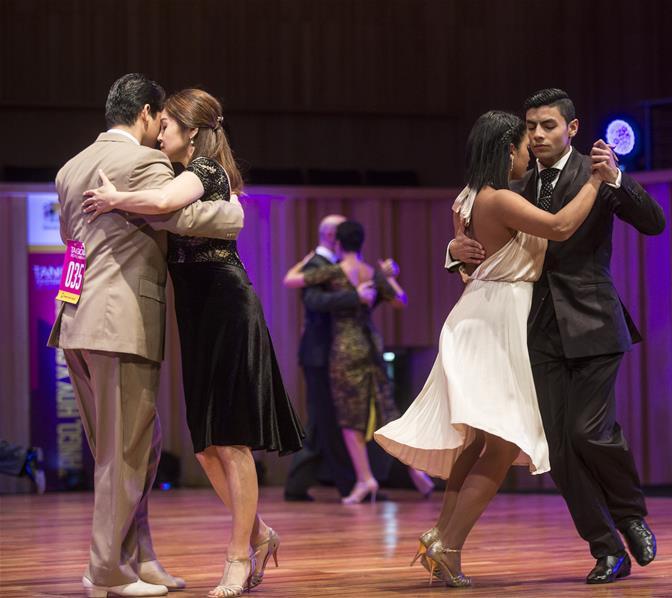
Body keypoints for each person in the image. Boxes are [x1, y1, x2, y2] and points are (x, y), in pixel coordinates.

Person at [375, 109, 618, 587]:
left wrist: (453, 251)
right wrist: (594, 181)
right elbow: (562, 226)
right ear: (507, 150)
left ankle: (441, 537)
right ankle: (450, 544)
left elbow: (467, 262)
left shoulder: (466, 199)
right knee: (502, 443)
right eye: (523, 143)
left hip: (479, 313)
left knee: (479, 439)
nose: (530, 148)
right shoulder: (499, 199)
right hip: (495, 318)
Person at [82, 88, 304, 597]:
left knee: (231, 440)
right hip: (196, 313)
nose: (160, 134)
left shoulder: (205, 172)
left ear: (193, 132)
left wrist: (116, 199)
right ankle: (261, 533)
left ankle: (236, 559)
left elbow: (163, 205)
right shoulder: (187, 175)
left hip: (227, 305)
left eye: (167, 126)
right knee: (205, 449)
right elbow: (170, 215)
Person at [447, 90, 665, 585]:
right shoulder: (517, 183)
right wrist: (454, 249)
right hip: (536, 328)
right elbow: (482, 232)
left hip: (592, 321)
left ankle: (630, 514)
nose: (538, 135)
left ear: (572, 127)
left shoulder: (596, 170)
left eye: (548, 125)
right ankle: (607, 549)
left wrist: (619, 180)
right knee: (558, 450)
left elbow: (654, 223)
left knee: (587, 432)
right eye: (530, 127)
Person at [51, 74, 244, 597]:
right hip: (120, 321)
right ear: (144, 112)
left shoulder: (69, 168)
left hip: (74, 321)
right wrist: (234, 213)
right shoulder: (146, 164)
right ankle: (107, 571)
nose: (163, 133)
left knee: (134, 446)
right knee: (127, 451)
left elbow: (77, 244)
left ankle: (139, 557)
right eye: (160, 120)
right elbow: (181, 215)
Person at [283, 220, 432, 504]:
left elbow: (290, 279)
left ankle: (365, 479)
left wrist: (302, 263)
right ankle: (416, 472)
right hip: (372, 345)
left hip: (345, 349)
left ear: (337, 243)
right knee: (387, 411)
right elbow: (401, 299)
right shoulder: (371, 272)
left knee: (351, 419)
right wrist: (389, 277)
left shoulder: (335, 270)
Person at [283, 214, 360, 501]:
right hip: (319, 352)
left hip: (331, 351)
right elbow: (314, 302)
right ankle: (347, 484)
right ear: (331, 236)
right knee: (325, 421)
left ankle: (305, 484)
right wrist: (354, 298)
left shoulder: (328, 264)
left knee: (322, 421)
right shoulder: (317, 264)